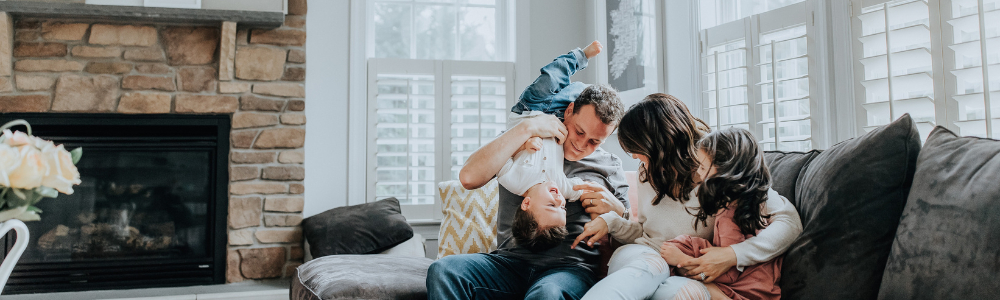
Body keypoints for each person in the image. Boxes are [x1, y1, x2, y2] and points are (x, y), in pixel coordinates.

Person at [426, 40, 630, 300]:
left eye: (594, 141)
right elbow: (468, 177)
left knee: (546, 294)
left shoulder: (609, 166)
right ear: (569, 111)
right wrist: (527, 128)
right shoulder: (524, 140)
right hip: (508, 263)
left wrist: (618, 212)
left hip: (568, 270)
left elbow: (631, 235)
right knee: (443, 270)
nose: (581, 144)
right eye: (579, 131)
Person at [575, 94, 802, 300]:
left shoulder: (717, 168)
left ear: (662, 144)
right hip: (643, 255)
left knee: (675, 293)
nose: (634, 156)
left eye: (637, 148)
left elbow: (789, 223)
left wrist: (732, 255)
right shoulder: (646, 172)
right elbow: (645, 233)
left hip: (685, 273)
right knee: (651, 267)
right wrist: (614, 222)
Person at [660, 127, 784, 300]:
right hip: (763, 287)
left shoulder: (729, 214)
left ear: (726, 170)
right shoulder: (752, 202)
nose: (698, 174)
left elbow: (729, 273)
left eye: (703, 167)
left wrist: (681, 259)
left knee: (684, 260)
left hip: (746, 291)